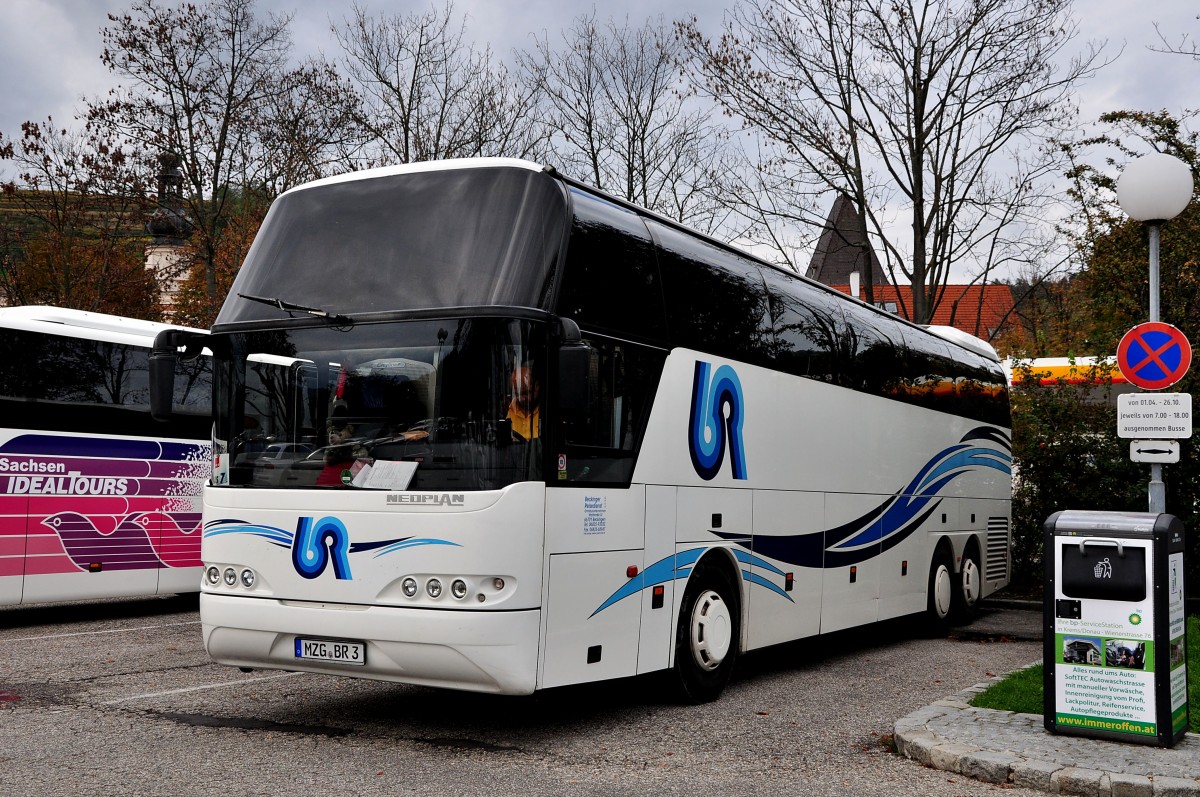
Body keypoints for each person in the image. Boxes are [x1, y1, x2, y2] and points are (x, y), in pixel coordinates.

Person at [505, 364, 540, 441]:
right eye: (517, 394)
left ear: (537, 386)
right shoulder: (509, 411)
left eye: (526, 393)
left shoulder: (547, 411)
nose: (521, 399)